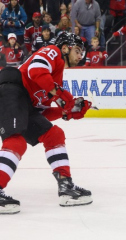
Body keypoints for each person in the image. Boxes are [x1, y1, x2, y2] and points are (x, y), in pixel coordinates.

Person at [0, 32, 93, 214]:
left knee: (54, 134)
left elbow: (41, 112)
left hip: (25, 104)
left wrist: (67, 111)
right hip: (12, 89)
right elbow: (36, 70)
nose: (80, 55)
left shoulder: (55, 79)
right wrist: (61, 95)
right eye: (77, 50)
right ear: (65, 47)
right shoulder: (52, 52)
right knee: (16, 142)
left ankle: (66, 186)